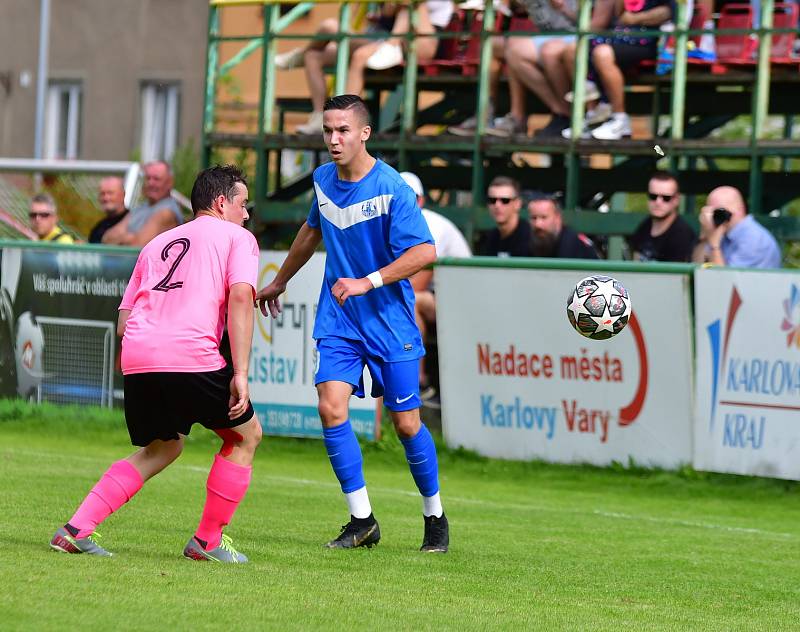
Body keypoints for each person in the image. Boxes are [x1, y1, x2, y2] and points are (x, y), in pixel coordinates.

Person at [256, 95, 449, 553]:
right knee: (330, 408)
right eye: (327, 130)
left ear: (365, 133)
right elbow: (310, 232)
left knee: (406, 425)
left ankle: (435, 516)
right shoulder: (323, 180)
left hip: (391, 322)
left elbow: (425, 252)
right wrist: (280, 281)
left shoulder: (391, 187)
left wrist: (369, 281)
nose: (333, 139)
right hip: (339, 318)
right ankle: (362, 519)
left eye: (343, 130)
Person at [50, 165, 262, 563]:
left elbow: (125, 318)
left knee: (163, 446)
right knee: (245, 436)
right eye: (242, 203)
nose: (246, 214)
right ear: (221, 203)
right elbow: (239, 299)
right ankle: (207, 541)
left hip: (140, 354)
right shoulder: (238, 237)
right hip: (190, 353)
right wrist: (241, 374)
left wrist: (139, 358)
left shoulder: (156, 243)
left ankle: (75, 529)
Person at [400, 171, 471, 404]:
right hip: (436, 298)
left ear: (420, 201)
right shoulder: (394, 225)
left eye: (409, 197)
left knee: (408, 303)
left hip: (462, 302)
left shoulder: (430, 226)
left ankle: (420, 384)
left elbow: (414, 286)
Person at [581, 0, 672, 140]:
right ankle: (594, 116)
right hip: (619, 38)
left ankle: (619, 119)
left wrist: (635, 19)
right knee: (582, 46)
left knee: (602, 53)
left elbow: (669, 12)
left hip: (648, 42)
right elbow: (621, 15)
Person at [693, 185, 781, 268]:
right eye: (714, 213)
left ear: (741, 208)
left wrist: (714, 246)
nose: (719, 217)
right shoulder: (720, 233)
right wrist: (705, 235)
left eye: (721, 211)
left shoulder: (753, 239)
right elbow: (698, 267)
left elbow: (725, 280)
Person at [102, 161, 183, 247]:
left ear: (169, 182)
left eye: (157, 179)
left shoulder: (167, 212)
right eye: (148, 178)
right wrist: (131, 238)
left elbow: (137, 245)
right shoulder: (140, 208)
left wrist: (124, 237)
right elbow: (107, 238)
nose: (151, 183)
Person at [628, 171, 696, 262]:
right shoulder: (645, 226)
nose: (658, 202)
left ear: (676, 200)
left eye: (666, 198)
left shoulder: (682, 236)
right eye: (653, 196)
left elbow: (677, 274)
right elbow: (635, 261)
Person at [528, 194, 599, 258]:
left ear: (558, 218)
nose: (538, 224)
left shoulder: (573, 243)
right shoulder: (531, 239)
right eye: (534, 218)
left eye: (544, 217)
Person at [478, 176, 532, 257]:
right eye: (492, 200)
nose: (497, 205)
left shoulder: (531, 239)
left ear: (518, 204)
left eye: (505, 200)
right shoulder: (490, 239)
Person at [88, 176, 129, 244]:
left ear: (123, 194)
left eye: (110, 193)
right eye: (102, 194)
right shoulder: (98, 227)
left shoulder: (134, 221)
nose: (106, 198)